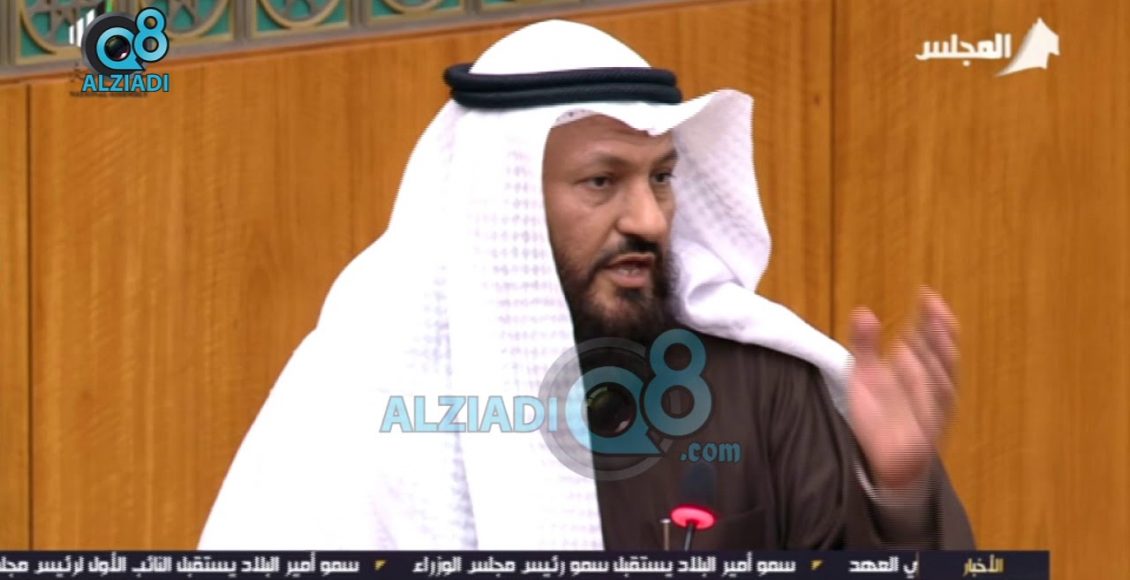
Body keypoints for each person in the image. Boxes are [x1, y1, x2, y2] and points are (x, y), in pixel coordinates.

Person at [198, 19, 974, 550]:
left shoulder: (760, 386)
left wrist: (897, 491)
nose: (650, 219)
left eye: (661, 177)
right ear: (504, 206)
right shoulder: (358, 405)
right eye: (603, 181)